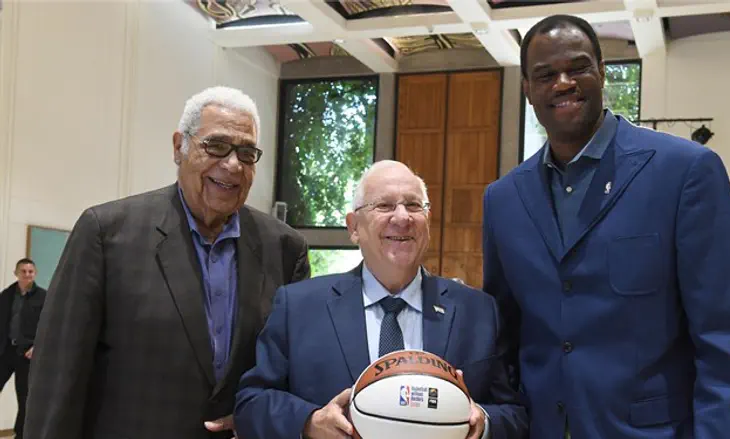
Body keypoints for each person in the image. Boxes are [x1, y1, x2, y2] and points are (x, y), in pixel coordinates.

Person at [482, 14, 730, 438]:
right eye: (545, 75)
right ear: (527, 89)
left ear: (602, 72)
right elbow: (505, 337)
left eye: (577, 68)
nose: (562, 83)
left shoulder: (684, 172)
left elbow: (725, 341)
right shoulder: (502, 200)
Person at [24, 86, 310, 439]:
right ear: (180, 147)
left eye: (247, 152)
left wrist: (262, 416)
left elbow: (292, 372)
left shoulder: (283, 248)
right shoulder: (107, 234)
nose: (233, 164)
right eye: (217, 146)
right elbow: (58, 374)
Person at [234, 160, 528, 439]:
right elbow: (251, 402)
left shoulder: (478, 312)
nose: (402, 218)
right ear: (353, 227)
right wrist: (309, 422)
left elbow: (514, 413)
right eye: (384, 206)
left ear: (427, 220)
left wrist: (484, 423)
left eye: (414, 205)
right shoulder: (298, 307)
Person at [0, 258, 46, 439]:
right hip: (5, 352)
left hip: (27, 354)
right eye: (23, 271)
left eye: (30, 271)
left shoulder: (43, 297)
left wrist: (37, 346)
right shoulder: (6, 295)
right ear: (16, 273)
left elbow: (48, 326)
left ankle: (21, 435)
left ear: (35, 273)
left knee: (25, 398)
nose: (27, 275)